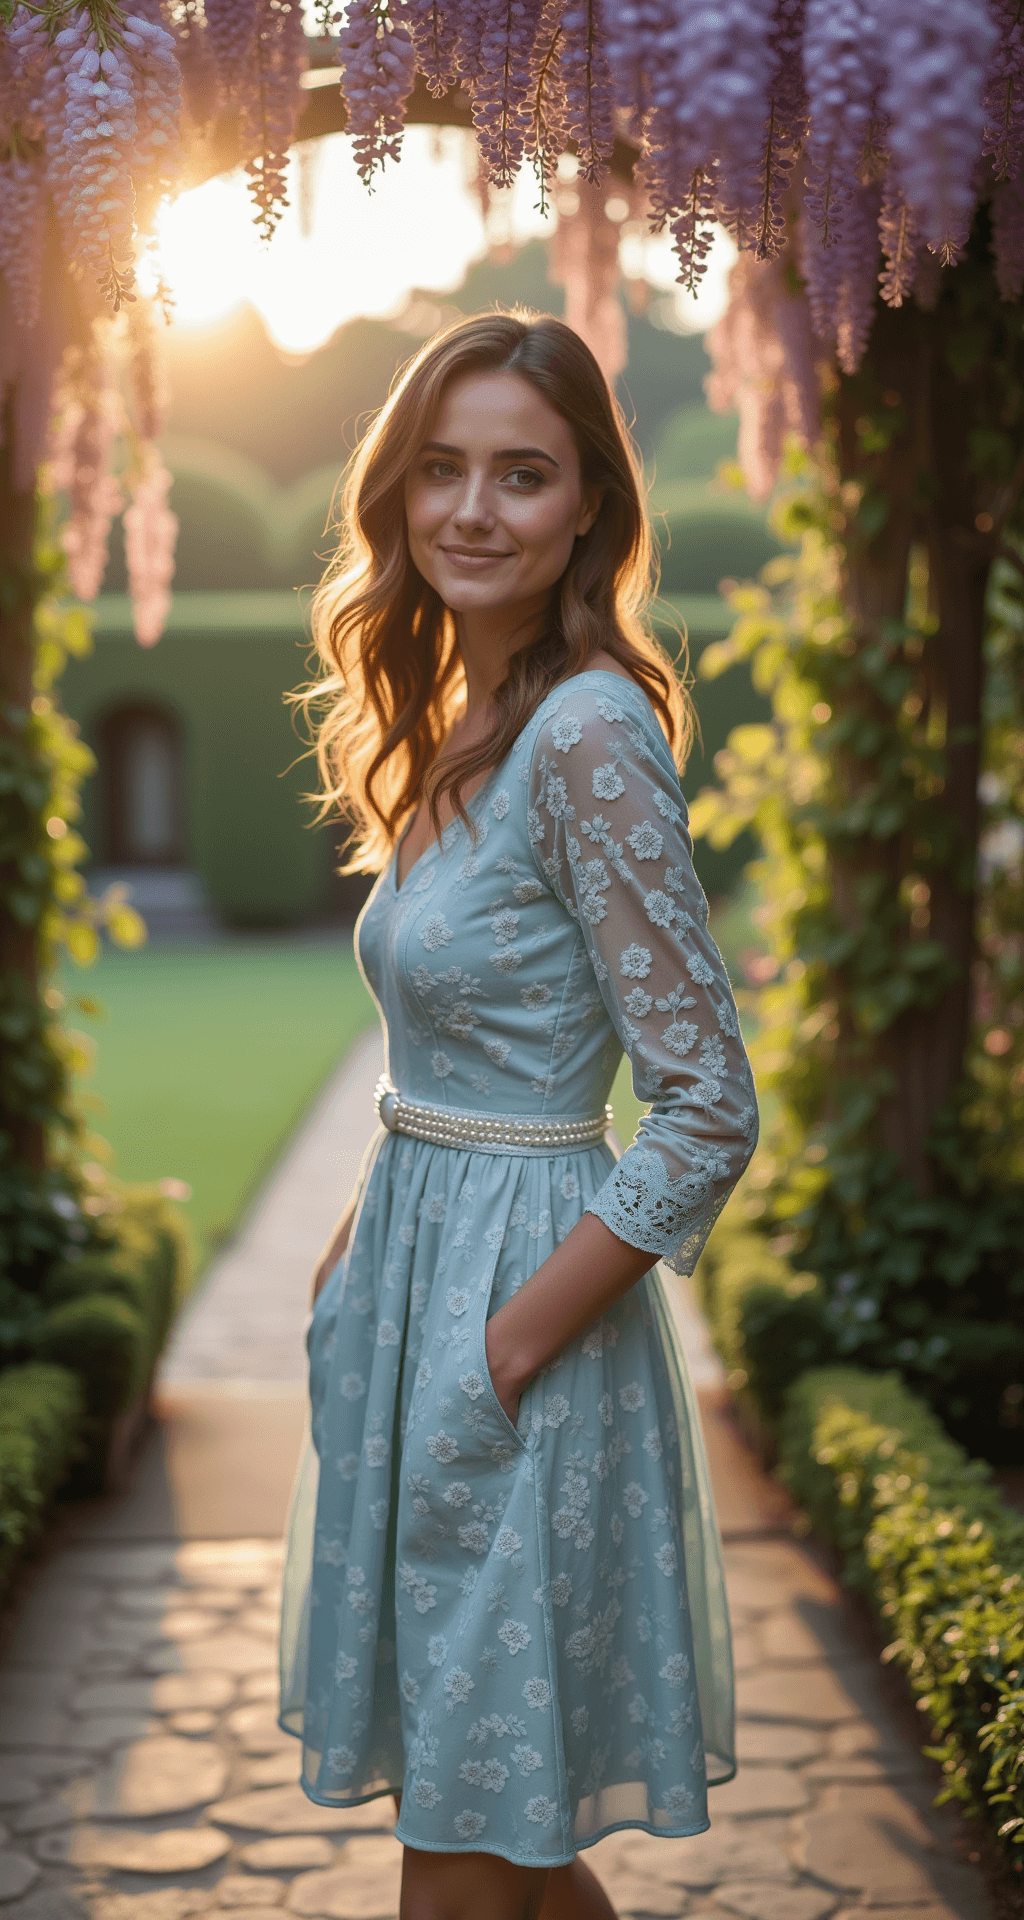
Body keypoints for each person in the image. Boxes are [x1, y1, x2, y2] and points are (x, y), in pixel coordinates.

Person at [278, 309, 758, 1920]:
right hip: (419, 1303)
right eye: (442, 468)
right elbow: (443, 1062)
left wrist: (498, 1355)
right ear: (398, 492)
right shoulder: (461, 722)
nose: (472, 509)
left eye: (523, 474)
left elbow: (706, 1107)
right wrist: (354, 1269)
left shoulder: (589, 734)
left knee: (465, 1850)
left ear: (589, 509)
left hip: (517, 1335)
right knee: (510, 1847)